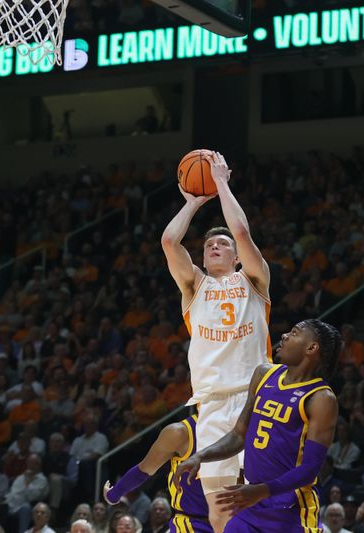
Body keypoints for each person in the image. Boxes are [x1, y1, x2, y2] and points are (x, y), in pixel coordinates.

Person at [161, 151, 271, 532]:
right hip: (211, 405)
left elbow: (241, 232)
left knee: (257, 498)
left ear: (239, 257)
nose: (214, 247)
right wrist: (192, 203)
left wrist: (221, 182)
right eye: (210, 245)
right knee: (220, 511)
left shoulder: (253, 281)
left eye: (222, 245)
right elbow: (170, 241)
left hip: (254, 399)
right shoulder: (194, 286)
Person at [174, 318, 340, 533]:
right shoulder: (264, 374)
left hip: (291, 509)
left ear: (312, 348)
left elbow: (309, 470)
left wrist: (261, 491)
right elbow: (238, 435)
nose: (285, 335)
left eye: (295, 332)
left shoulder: (321, 398)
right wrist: (200, 456)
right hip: (251, 502)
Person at [103, 415, 211, 533]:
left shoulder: (180, 432)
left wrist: (113, 495)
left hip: (194, 524)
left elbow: (144, 470)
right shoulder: (233, 434)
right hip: (228, 522)